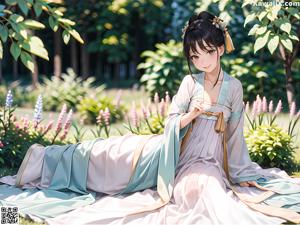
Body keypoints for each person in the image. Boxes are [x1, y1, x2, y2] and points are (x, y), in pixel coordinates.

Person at [0, 11, 300, 225]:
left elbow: (235, 135)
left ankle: (45, 165)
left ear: (221, 48)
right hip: (164, 152)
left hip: (200, 164)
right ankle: (42, 161)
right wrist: (191, 115)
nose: (201, 60)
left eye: (207, 52)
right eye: (195, 56)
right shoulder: (189, 83)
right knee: (106, 154)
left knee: (204, 193)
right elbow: (171, 122)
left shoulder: (234, 87)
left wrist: (239, 174)